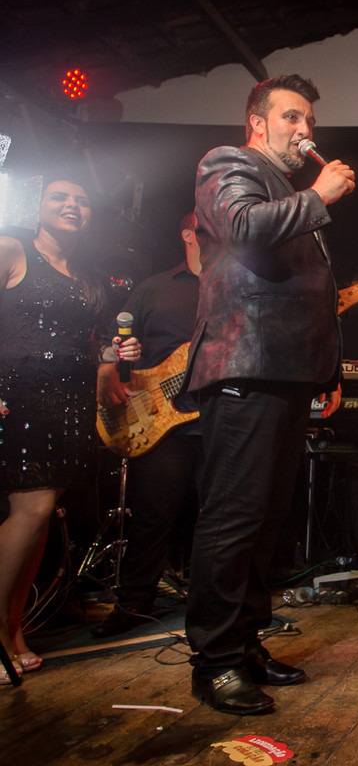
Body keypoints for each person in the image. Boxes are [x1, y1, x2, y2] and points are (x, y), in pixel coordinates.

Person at [185, 74, 354, 714]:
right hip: (244, 364)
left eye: (308, 119)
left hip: (284, 370)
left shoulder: (287, 189)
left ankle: (245, 644)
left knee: (265, 520)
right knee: (234, 517)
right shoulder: (227, 163)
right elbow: (242, 227)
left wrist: (325, 370)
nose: (304, 130)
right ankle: (214, 662)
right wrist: (319, 195)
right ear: (257, 121)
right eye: (290, 117)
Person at [0, 177, 141, 683]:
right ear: (36, 206)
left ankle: (13, 629)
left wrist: (113, 358)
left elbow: (80, 346)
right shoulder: (12, 248)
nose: (72, 206)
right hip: (18, 402)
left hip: (68, 405)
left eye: (81, 200)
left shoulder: (85, 274)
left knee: (40, 519)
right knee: (30, 508)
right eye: (59, 197)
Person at [93, 212, 204, 638]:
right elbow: (112, 340)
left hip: (215, 416)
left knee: (217, 516)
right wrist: (111, 362)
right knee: (153, 514)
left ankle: (212, 604)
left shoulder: (231, 288)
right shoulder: (154, 288)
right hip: (157, 420)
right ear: (188, 233)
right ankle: (134, 601)